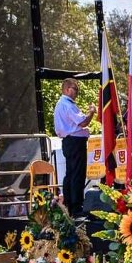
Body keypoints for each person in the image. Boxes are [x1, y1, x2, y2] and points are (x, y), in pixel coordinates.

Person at [54, 78, 95, 217]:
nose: (76, 92)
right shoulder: (67, 104)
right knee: (77, 173)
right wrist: (91, 112)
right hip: (75, 141)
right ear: (66, 89)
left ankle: (70, 205)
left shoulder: (61, 104)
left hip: (69, 141)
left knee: (71, 173)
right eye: (74, 89)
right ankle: (76, 207)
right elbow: (83, 122)